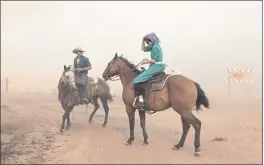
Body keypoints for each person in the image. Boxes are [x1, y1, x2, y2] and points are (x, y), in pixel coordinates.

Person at [133, 33, 166, 109]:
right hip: (157, 66)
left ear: (153, 40)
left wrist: (145, 62)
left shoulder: (154, 47)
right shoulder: (155, 46)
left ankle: (141, 100)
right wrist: (142, 40)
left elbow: (154, 60)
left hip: (156, 67)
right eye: (147, 42)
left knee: (136, 81)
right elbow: (143, 49)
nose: (148, 43)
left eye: (149, 41)